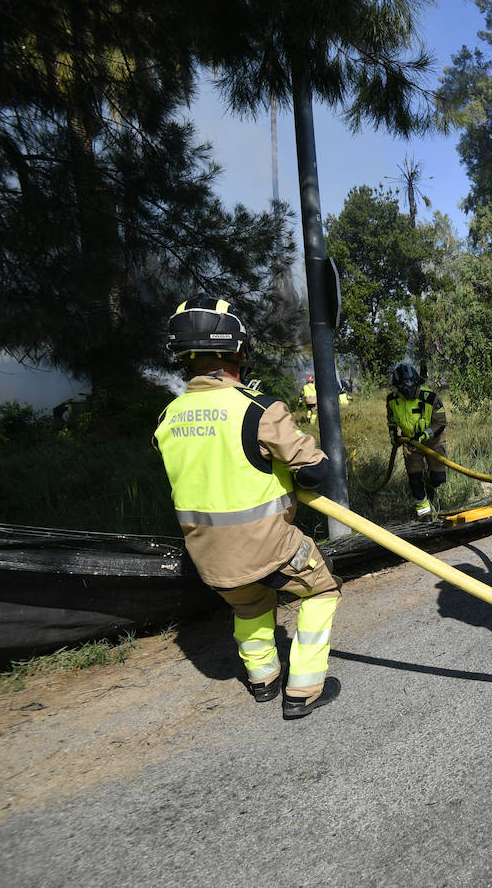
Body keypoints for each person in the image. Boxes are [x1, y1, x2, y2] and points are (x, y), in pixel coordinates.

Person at [153, 294, 342, 720]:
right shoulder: (258, 410)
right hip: (268, 546)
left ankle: (263, 678)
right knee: (322, 589)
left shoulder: (168, 416)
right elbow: (314, 473)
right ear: (236, 349)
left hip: (208, 557)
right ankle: (304, 688)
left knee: (250, 605)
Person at [386, 362, 447, 520]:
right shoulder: (392, 400)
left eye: (411, 387)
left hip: (434, 441)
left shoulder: (430, 397)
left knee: (438, 478)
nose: (408, 391)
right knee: (414, 478)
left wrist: (424, 435)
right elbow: (391, 420)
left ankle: (430, 485)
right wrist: (393, 434)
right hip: (411, 444)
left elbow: (441, 422)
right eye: (404, 389)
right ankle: (423, 513)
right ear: (398, 388)